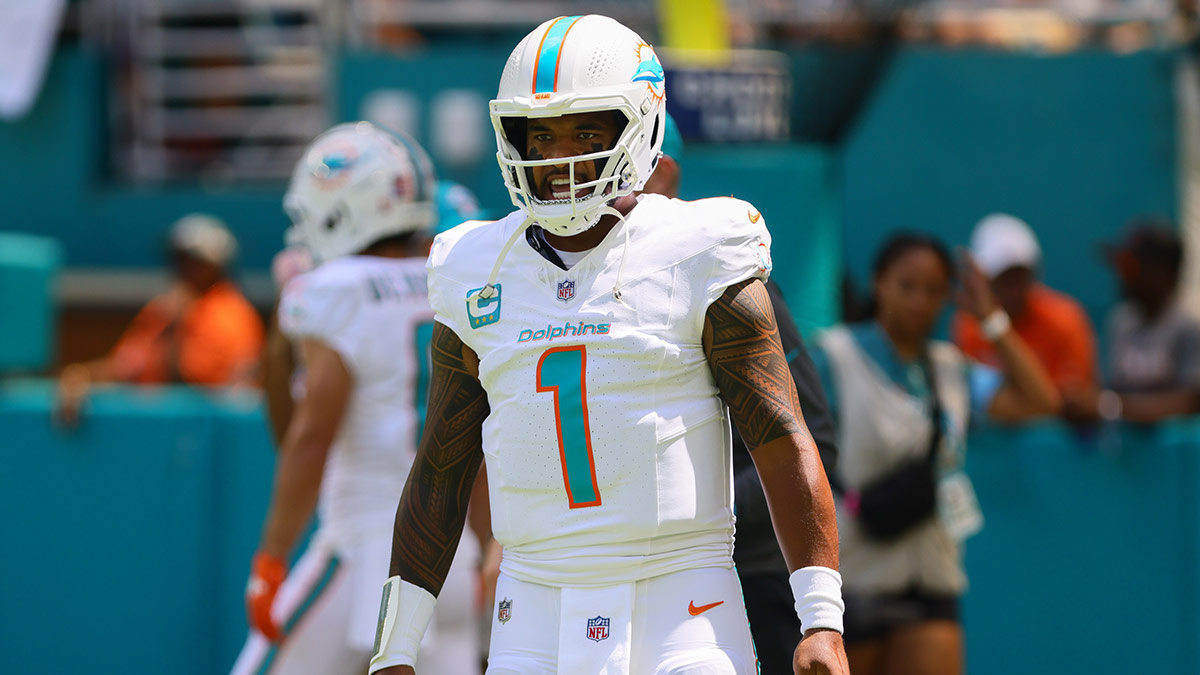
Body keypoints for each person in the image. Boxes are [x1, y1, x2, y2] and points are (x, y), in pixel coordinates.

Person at [370, 15, 848, 675]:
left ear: (639, 128)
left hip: (682, 607)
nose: (559, 155)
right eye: (541, 134)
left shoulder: (701, 245)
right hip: (532, 608)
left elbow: (779, 432)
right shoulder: (474, 263)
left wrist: (821, 616)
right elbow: (442, 467)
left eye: (585, 131)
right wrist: (396, 644)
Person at [231, 122, 489, 675]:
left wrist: (271, 557)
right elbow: (479, 444)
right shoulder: (450, 285)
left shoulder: (332, 291)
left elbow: (307, 437)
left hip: (365, 550)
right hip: (454, 554)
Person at [645, 111, 842, 675]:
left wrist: (699, 511)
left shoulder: (723, 279)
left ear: (662, 169)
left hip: (750, 577)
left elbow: (816, 440)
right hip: (653, 584)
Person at [810, 233, 1060, 675]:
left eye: (933, 291)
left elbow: (1041, 399)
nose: (919, 302)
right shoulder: (834, 356)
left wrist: (992, 320)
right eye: (907, 286)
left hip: (932, 582)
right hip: (853, 582)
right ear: (879, 283)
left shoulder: (952, 368)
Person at [56, 213, 263, 424]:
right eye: (178, 259)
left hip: (209, 438)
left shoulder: (232, 313)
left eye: (193, 261)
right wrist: (82, 377)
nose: (182, 268)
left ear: (217, 266)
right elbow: (129, 365)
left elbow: (200, 384)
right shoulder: (165, 308)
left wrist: (178, 327)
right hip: (156, 434)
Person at [1062, 220, 1200, 423]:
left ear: (1165, 272)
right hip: (1132, 452)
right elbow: (1114, 391)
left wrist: (1110, 406)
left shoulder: (1190, 322)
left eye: (1130, 267)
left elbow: (1191, 403)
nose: (1121, 275)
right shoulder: (1121, 321)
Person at [952, 213, 1097, 400]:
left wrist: (992, 323)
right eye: (1004, 278)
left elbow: (1064, 402)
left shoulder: (1065, 319)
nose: (1014, 289)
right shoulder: (968, 325)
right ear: (984, 278)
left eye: (1020, 275)